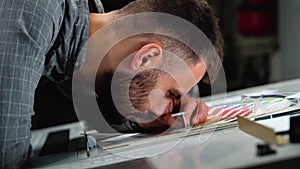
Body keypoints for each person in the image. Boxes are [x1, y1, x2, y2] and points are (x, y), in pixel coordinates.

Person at [0, 0, 224, 168]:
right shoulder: (33, 13)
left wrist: (156, 119)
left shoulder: (85, 41)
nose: (170, 106)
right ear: (145, 58)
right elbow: (7, 159)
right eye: (170, 93)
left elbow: (106, 105)